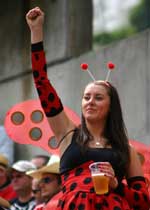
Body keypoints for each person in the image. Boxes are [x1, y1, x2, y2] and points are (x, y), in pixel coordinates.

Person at [26, 7, 150, 210]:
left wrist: (117, 186)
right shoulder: (67, 133)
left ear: (112, 107)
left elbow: (144, 203)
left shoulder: (127, 150)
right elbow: (41, 82)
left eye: (98, 98)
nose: (90, 101)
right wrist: (36, 31)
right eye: (86, 97)